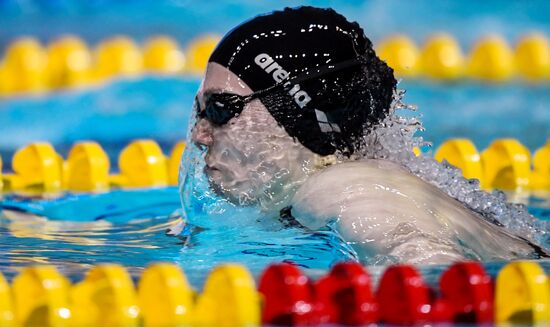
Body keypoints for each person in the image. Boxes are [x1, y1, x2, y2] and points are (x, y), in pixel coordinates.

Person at [185, 6, 546, 264]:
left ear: (301, 117)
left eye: (222, 108)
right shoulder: (299, 198)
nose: (201, 134)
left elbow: (437, 283)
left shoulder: (344, 191)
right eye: (201, 109)